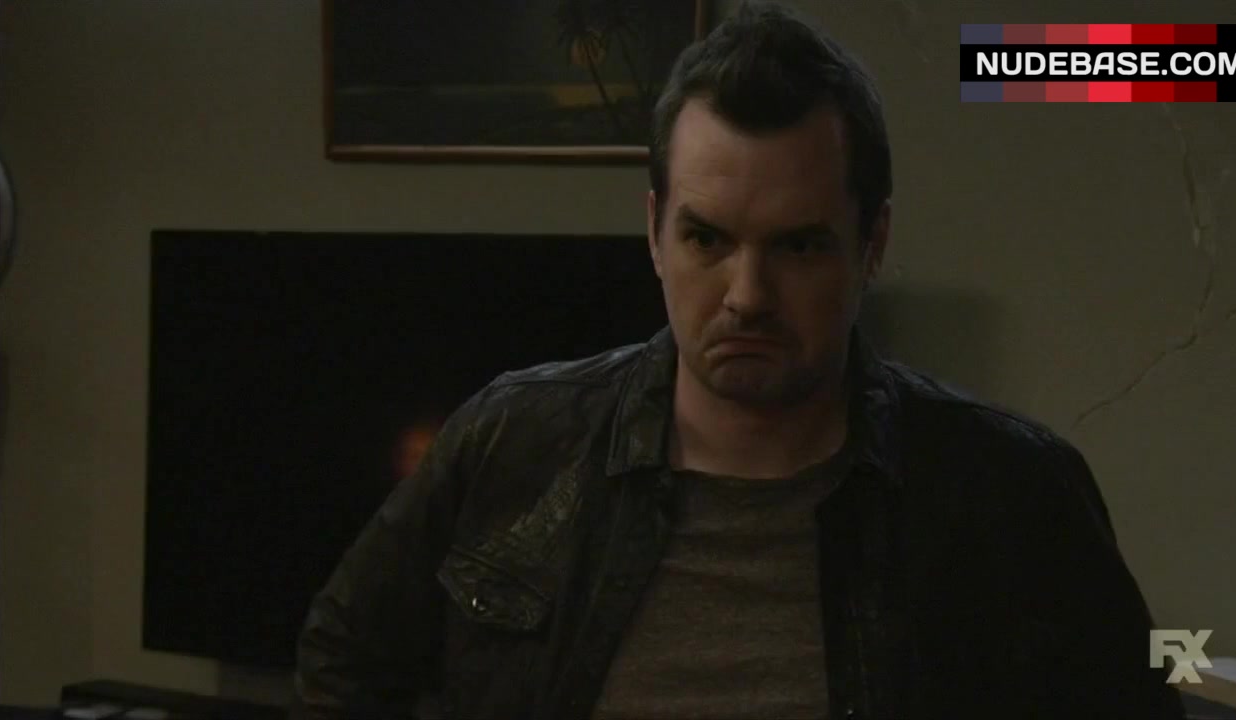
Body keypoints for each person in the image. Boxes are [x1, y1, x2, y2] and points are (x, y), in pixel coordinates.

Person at [291, 3, 1187, 718]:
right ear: (655, 231)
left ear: (872, 244)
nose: (747, 295)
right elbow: (343, 656)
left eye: (798, 246)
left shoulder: (1013, 494)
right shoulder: (511, 443)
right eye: (707, 239)